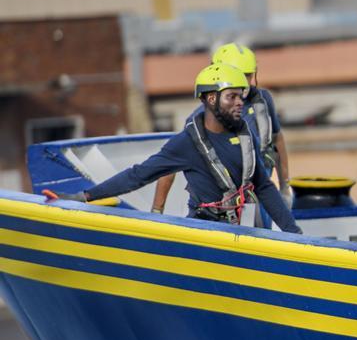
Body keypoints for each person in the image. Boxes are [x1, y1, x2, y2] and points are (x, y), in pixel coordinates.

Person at [44, 63, 300, 233]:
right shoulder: (187, 143)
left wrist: (294, 234)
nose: (239, 104)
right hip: (206, 232)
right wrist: (85, 197)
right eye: (231, 96)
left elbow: (263, 186)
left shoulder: (245, 135)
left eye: (241, 97)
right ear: (211, 99)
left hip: (246, 227)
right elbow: (138, 175)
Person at [151, 42, 291, 213]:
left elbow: (277, 140)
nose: (244, 83)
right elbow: (170, 163)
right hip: (216, 211)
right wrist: (157, 210)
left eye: (248, 76)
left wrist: (285, 186)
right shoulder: (198, 121)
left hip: (256, 203)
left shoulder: (262, 102)